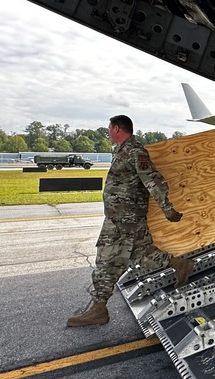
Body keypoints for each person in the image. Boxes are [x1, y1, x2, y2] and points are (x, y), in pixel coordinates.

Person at [67, 115, 194, 327]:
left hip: (123, 220)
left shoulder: (134, 151)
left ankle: (99, 309)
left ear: (117, 128)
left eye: (109, 128)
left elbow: (153, 179)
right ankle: (179, 264)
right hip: (124, 217)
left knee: (106, 260)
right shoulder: (122, 150)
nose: (108, 132)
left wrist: (167, 208)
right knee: (142, 254)